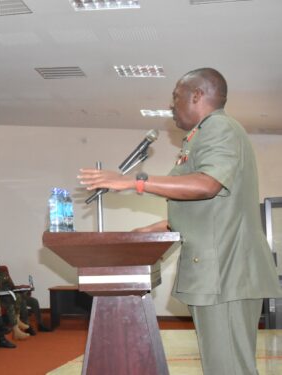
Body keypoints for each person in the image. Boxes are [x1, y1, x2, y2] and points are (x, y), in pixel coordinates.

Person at [77, 67, 282, 375]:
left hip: (225, 274)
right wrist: (146, 233)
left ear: (197, 95)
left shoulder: (218, 128)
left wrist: (135, 181)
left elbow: (207, 185)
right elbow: (205, 209)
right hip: (218, 273)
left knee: (228, 369)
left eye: (175, 97)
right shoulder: (200, 135)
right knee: (221, 367)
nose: (171, 105)